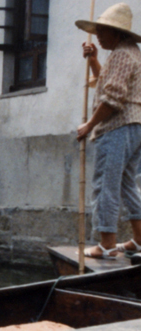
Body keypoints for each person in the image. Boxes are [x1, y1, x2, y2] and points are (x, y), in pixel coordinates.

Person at [76, 3, 141, 259]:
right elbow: (106, 83)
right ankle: (138, 240)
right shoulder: (130, 52)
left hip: (118, 127)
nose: (99, 36)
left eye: (103, 31)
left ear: (117, 33)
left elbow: (112, 99)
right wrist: (93, 60)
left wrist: (89, 125)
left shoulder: (123, 55)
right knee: (126, 184)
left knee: (105, 184)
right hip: (134, 128)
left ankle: (107, 245)